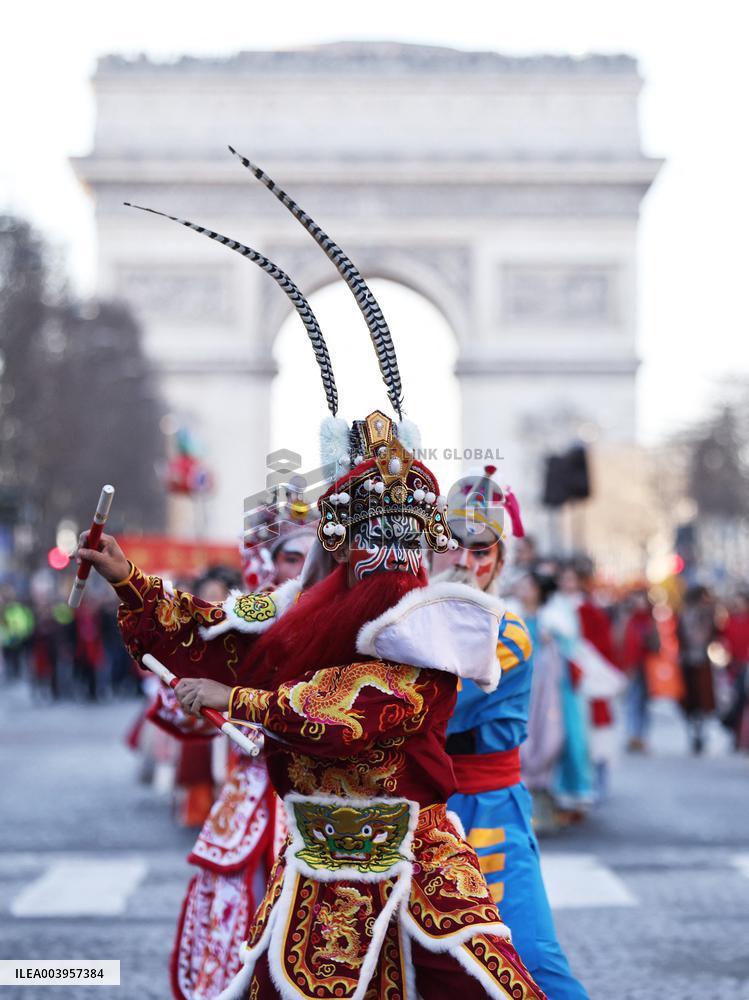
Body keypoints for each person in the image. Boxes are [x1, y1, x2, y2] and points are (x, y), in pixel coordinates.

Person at [78, 159, 545, 999]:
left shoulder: (431, 619)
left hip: (411, 865)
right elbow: (215, 629)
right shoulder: (293, 608)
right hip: (309, 863)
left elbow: (367, 712)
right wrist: (128, 579)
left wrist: (238, 702)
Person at [435, 468, 589, 999]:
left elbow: (436, 701)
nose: (465, 562)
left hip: (488, 809)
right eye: (451, 545)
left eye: (481, 550)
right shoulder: (410, 622)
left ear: (499, 560)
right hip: (422, 809)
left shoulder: (509, 631)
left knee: (530, 955)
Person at [677, 585, 718, 755]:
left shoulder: (699, 614)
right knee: (695, 699)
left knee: (697, 700)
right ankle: (696, 730)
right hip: (694, 661)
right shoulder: (695, 615)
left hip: (696, 661)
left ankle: (697, 730)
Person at [620, 589, 660, 753]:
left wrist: (648, 639)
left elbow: (657, 646)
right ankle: (633, 736)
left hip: (645, 668)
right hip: (631, 667)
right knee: (632, 702)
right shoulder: (628, 620)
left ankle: (641, 736)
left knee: (642, 704)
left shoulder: (650, 622)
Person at [721, 589, 749, 752]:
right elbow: (724, 640)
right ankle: (736, 735)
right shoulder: (729, 620)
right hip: (733, 665)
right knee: (735, 701)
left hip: (746, 664)